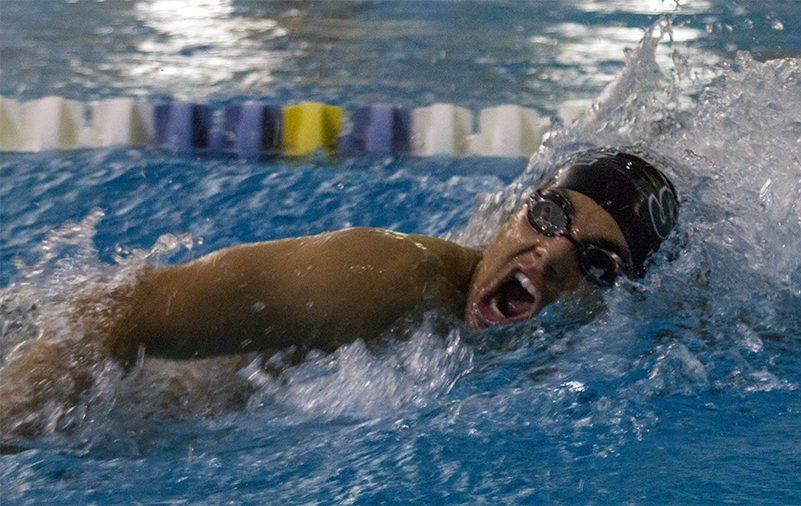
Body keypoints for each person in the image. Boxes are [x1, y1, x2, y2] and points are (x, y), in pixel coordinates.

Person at [0, 147, 679, 438]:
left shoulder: (585, 352)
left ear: (612, 300)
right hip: (108, 394)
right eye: (551, 216)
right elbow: (116, 313)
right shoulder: (381, 277)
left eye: (599, 262)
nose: (553, 254)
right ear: (511, 213)